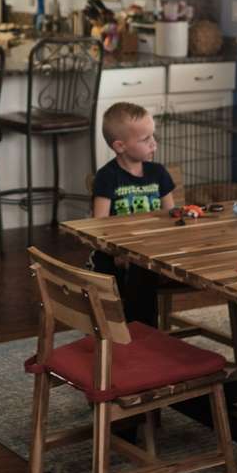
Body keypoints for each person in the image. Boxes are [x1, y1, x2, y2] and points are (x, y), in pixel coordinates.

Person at [89, 102, 176, 326]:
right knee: (106, 268)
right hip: (116, 249)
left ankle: (143, 332)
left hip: (151, 249)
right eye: (145, 139)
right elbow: (100, 225)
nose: (154, 144)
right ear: (120, 146)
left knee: (143, 270)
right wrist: (118, 250)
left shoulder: (158, 173)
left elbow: (171, 217)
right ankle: (115, 327)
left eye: (153, 136)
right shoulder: (107, 176)